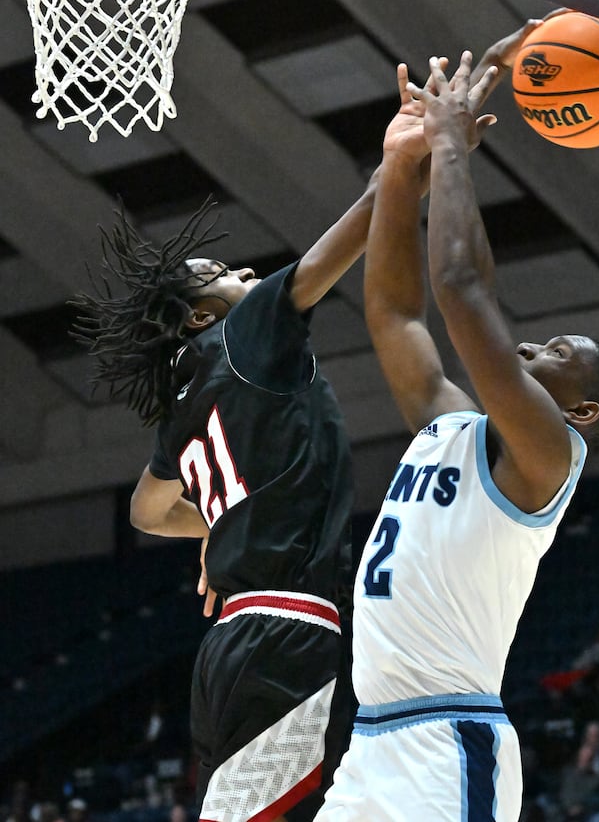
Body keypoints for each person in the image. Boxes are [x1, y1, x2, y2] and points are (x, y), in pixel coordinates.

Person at [315, 40, 599, 822]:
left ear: (580, 413)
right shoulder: (448, 426)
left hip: (447, 746)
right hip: (369, 743)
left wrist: (450, 145)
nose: (528, 347)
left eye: (557, 355)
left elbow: (456, 287)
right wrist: (398, 168)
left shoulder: (549, 457)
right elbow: (393, 311)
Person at [72, 170, 383, 821]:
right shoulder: (242, 339)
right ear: (199, 316)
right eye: (219, 270)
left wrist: (220, 528)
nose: (243, 269)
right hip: (284, 634)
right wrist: (408, 160)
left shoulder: (182, 402)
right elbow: (340, 245)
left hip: (235, 641)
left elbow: (147, 510)